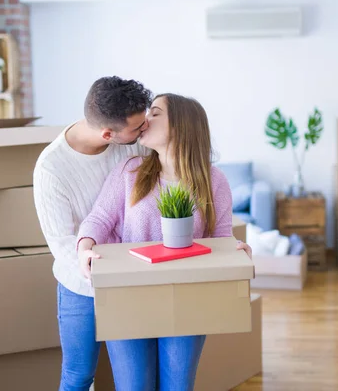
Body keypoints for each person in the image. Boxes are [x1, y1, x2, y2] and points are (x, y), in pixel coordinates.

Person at [33, 78, 252, 391]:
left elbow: (221, 235)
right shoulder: (129, 169)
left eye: (155, 113)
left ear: (181, 127)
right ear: (109, 134)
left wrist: (236, 250)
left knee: (178, 386)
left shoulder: (212, 180)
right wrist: (85, 249)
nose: (145, 121)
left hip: (184, 296)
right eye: (145, 117)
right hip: (124, 293)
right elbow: (96, 220)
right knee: (118, 383)